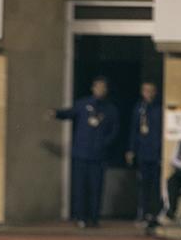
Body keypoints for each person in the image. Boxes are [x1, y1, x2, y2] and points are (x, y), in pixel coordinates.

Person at [50, 76, 119, 228]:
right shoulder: (83, 104)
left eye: (103, 87)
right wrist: (56, 113)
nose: (100, 90)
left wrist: (104, 144)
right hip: (81, 154)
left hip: (98, 156)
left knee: (96, 188)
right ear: (93, 88)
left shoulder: (111, 109)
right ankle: (80, 217)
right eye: (98, 87)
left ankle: (94, 218)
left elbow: (114, 131)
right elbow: (69, 113)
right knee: (80, 187)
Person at [125, 81, 163, 230]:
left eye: (151, 90)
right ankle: (142, 212)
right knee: (143, 185)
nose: (149, 93)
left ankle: (154, 214)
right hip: (143, 153)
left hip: (157, 154)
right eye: (146, 90)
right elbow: (134, 130)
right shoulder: (139, 108)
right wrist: (131, 150)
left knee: (155, 185)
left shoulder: (160, 108)